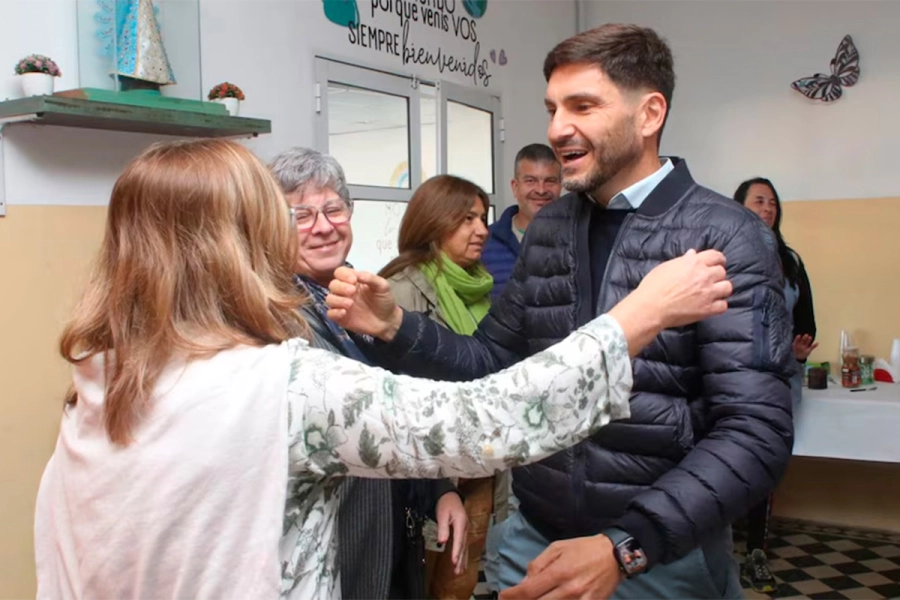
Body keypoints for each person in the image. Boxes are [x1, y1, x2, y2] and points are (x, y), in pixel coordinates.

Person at [33, 138, 732, 600]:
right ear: (241, 242)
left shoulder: (101, 372)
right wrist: (639, 315)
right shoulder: (282, 385)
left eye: (330, 208)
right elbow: (488, 420)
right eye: (281, 217)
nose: (308, 228)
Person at [326, 23, 795, 600]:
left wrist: (627, 546)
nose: (556, 129)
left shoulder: (727, 234)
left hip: (659, 557)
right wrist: (396, 326)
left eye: (582, 106)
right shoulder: (551, 228)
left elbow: (755, 431)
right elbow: (494, 361)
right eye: (552, 108)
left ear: (649, 114)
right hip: (534, 541)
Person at [267, 147, 467, 599]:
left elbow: (399, 409)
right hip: (336, 552)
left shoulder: (360, 292)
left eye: (333, 208)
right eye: (301, 215)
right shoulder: (274, 320)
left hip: (392, 535)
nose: (323, 226)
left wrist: (439, 489)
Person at [378, 174, 497, 599]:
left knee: (458, 586)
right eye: (467, 219)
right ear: (434, 222)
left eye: (482, 218)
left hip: (481, 467)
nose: (481, 229)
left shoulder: (479, 288)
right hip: (429, 474)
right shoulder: (397, 290)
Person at [734, 176, 817, 593]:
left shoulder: (790, 261)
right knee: (728, 458)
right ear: (739, 207)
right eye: (758, 201)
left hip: (781, 378)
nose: (767, 209)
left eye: (772, 202)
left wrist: (800, 350)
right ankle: (713, 548)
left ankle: (755, 551)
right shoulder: (721, 253)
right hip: (734, 376)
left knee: (767, 462)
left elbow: (806, 321)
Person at [481, 143, 561, 299]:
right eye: (531, 181)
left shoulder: (576, 240)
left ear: (560, 185)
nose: (541, 190)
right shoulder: (484, 243)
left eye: (550, 181)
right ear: (515, 187)